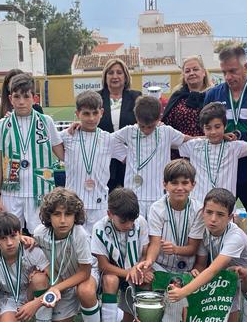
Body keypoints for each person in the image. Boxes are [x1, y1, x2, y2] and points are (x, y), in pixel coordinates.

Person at [165, 187, 247, 322]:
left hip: (244, 275)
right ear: (202, 212)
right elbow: (202, 264)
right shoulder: (204, 230)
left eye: (220, 214)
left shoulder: (235, 236)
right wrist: (196, 271)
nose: (213, 219)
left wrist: (183, 292)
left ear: (230, 217)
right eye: (209, 212)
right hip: (225, 277)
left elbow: (212, 270)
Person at [204, 45, 247, 238]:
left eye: (233, 71)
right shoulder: (213, 95)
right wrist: (219, 135)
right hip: (222, 173)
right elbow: (206, 127)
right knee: (216, 224)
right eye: (224, 72)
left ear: (246, 67)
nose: (228, 77)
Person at [30, 188, 98, 322]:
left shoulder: (80, 234)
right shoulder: (40, 233)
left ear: (75, 216)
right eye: (57, 214)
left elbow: (85, 272)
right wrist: (25, 240)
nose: (62, 220)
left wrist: (55, 288)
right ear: (48, 216)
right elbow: (34, 253)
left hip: (82, 278)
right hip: (60, 283)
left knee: (85, 290)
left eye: (68, 214)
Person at [0, 72, 64, 231]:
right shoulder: (1, 125)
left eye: (26, 96)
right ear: (10, 99)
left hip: (40, 191)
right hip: (11, 192)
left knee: (41, 236)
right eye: (17, 97)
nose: (21, 101)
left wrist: (76, 131)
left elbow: (62, 154)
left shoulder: (46, 122)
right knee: (10, 235)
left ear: (34, 98)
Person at [90, 187, 153, 322]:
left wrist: (142, 269)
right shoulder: (99, 228)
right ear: (110, 214)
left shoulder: (140, 222)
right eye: (124, 221)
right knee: (110, 280)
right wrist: (128, 272)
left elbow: (144, 253)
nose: (129, 225)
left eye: (132, 220)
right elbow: (103, 266)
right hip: (113, 273)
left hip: (133, 271)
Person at [111, 95, 185, 215]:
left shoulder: (166, 131)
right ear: (136, 118)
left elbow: (189, 140)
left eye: (150, 126)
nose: (146, 130)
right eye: (142, 126)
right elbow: (105, 140)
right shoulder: (129, 131)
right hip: (133, 195)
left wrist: (212, 137)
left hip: (159, 195)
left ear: (158, 118)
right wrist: (124, 156)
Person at [143, 159, 205, 278]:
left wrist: (175, 249)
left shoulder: (198, 210)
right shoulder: (156, 208)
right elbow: (155, 244)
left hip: (188, 269)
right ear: (165, 184)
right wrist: (149, 262)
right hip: (160, 266)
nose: (180, 188)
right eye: (174, 183)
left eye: (185, 183)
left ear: (193, 185)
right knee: (147, 282)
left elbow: (193, 248)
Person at [62, 90, 115, 227]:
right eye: (86, 113)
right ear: (77, 114)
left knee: (98, 239)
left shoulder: (109, 138)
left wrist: (157, 125)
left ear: (101, 112)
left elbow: (131, 153)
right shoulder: (67, 136)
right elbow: (47, 139)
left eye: (95, 113)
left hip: (99, 204)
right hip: (73, 203)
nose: (91, 118)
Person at [178, 102, 247, 195]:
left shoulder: (234, 147)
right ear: (203, 128)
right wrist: (219, 136)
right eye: (208, 128)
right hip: (199, 202)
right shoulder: (193, 145)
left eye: (217, 127)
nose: (213, 132)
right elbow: (172, 141)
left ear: (225, 126)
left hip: (225, 202)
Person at [97, 57, 141, 188]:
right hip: (103, 158)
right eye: (110, 73)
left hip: (129, 159)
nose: (115, 76)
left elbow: (144, 120)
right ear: (105, 77)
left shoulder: (136, 97)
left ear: (126, 77)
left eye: (119, 72)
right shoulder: (96, 98)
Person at [161, 55, 212, 140]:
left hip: (209, 145)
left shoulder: (214, 94)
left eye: (195, 69)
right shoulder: (177, 96)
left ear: (204, 72)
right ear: (184, 76)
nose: (191, 73)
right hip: (181, 146)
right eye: (187, 71)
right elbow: (167, 126)